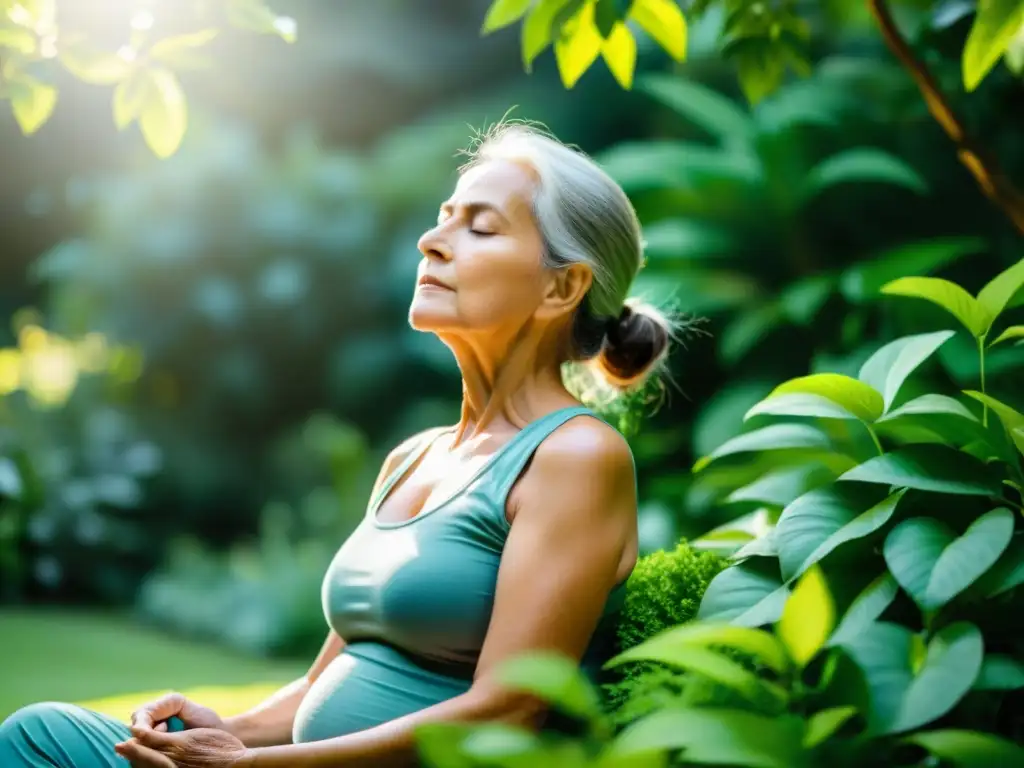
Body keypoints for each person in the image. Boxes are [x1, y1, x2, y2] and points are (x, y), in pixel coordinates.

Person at [0, 121, 672, 767]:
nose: (432, 242)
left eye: (481, 226)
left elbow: (508, 708)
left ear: (561, 286)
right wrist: (219, 733)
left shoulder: (575, 457)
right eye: (444, 216)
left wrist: (245, 767)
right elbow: (324, 683)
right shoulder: (414, 459)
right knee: (43, 735)